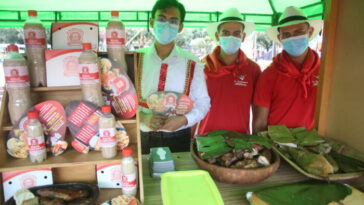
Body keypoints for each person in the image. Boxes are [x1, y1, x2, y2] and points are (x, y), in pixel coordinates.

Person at [136, 0, 210, 154]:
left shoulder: (192, 62)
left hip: (178, 136)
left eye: (173, 21)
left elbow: (203, 103)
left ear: (180, 27)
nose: (167, 25)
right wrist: (142, 117)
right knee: (142, 178)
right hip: (141, 136)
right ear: (152, 22)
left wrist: (184, 120)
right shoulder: (135, 59)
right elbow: (122, 101)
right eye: (161, 19)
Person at [253, 6, 323, 133]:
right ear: (280, 39)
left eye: (298, 31)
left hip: (312, 146)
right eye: (286, 34)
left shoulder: (324, 71)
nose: (293, 38)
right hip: (278, 147)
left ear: (310, 31)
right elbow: (260, 122)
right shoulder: (269, 75)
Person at [197, 8, 260, 135]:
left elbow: (257, 110)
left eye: (236, 33)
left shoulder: (253, 70)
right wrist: (191, 140)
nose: (231, 37)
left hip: (241, 141)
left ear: (243, 37)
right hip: (206, 140)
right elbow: (193, 107)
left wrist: (255, 139)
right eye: (225, 33)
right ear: (217, 36)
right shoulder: (201, 66)